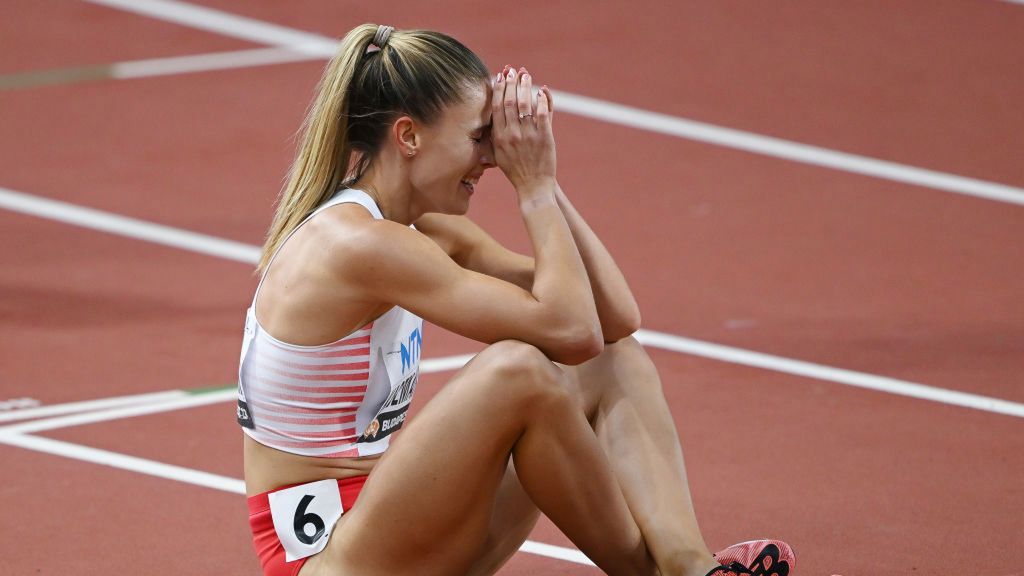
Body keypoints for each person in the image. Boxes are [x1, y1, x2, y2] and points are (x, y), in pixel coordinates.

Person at [237, 23, 794, 576]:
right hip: (329, 561)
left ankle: (691, 565)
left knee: (612, 360)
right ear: (408, 137)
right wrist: (531, 187)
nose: (491, 156)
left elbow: (612, 321)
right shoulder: (359, 244)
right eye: (481, 137)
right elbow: (570, 330)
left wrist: (544, 180)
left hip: (392, 531)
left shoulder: (420, 230)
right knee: (518, 369)